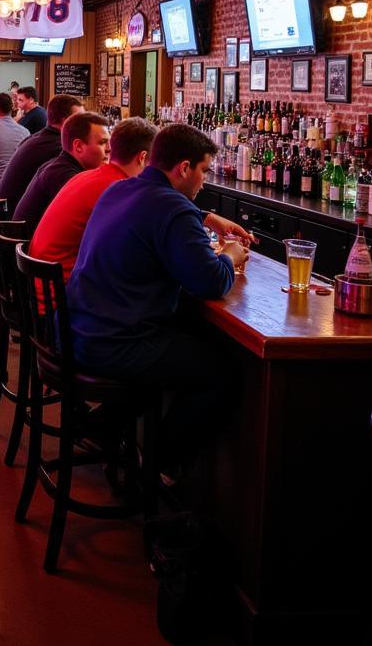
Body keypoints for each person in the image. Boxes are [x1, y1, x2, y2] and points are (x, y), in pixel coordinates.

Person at [67, 123, 252, 479]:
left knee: (181, 343)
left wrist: (203, 220)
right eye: (203, 171)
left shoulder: (118, 190)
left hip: (77, 330)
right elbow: (211, 282)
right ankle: (155, 465)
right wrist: (230, 255)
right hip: (115, 343)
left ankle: (101, 426)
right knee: (221, 373)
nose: (203, 182)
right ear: (184, 168)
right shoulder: (173, 208)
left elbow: (154, 215)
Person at [29, 118, 156, 281]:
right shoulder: (119, 188)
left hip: (43, 283)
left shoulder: (86, 175)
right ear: (142, 157)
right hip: (62, 293)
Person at [13, 111, 110, 229]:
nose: (109, 149)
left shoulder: (60, 166)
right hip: (27, 243)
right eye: (103, 142)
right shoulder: (64, 175)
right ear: (78, 146)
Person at [0, 94, 83, 212]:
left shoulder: (36, 139)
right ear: (66, 122)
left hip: (3, 212)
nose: (85, 125)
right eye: (80, 120)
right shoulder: (59, 147)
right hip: (15, 222)